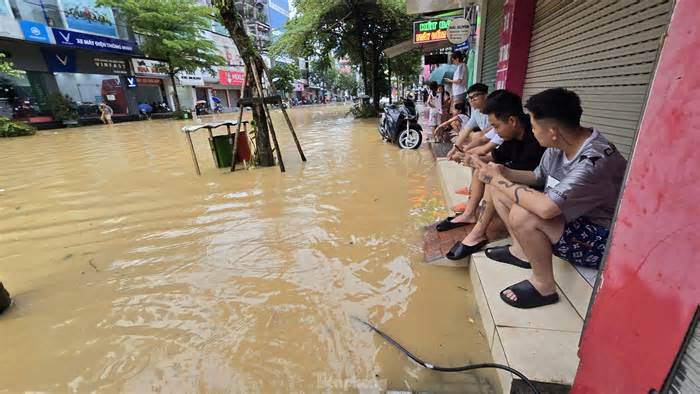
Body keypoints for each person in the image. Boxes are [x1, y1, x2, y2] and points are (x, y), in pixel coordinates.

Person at [473, 88, 627, 309]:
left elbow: (546, 209)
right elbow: (537, 176)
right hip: (572, 217)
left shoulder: (593, 160)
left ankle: (544, 286)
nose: (532, 132)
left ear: (553, 131)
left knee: (524, 214)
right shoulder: (558, 145)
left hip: (606, 239)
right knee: (501, 190)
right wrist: (502, 173)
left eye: (534, 126)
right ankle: (522, 252)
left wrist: (496, 180)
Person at [441, 90, 545, 260]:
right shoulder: (514, 132)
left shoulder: (537, 138)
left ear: (512, 121)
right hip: (529, 184)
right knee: (487, 172)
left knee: (492, 180)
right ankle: (470, 216)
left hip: (540, 193)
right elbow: (495, 156)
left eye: (496, 126)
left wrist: (492, 169)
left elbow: (537, 176)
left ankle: (478, 233)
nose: (495, 133)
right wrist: (469, 158)